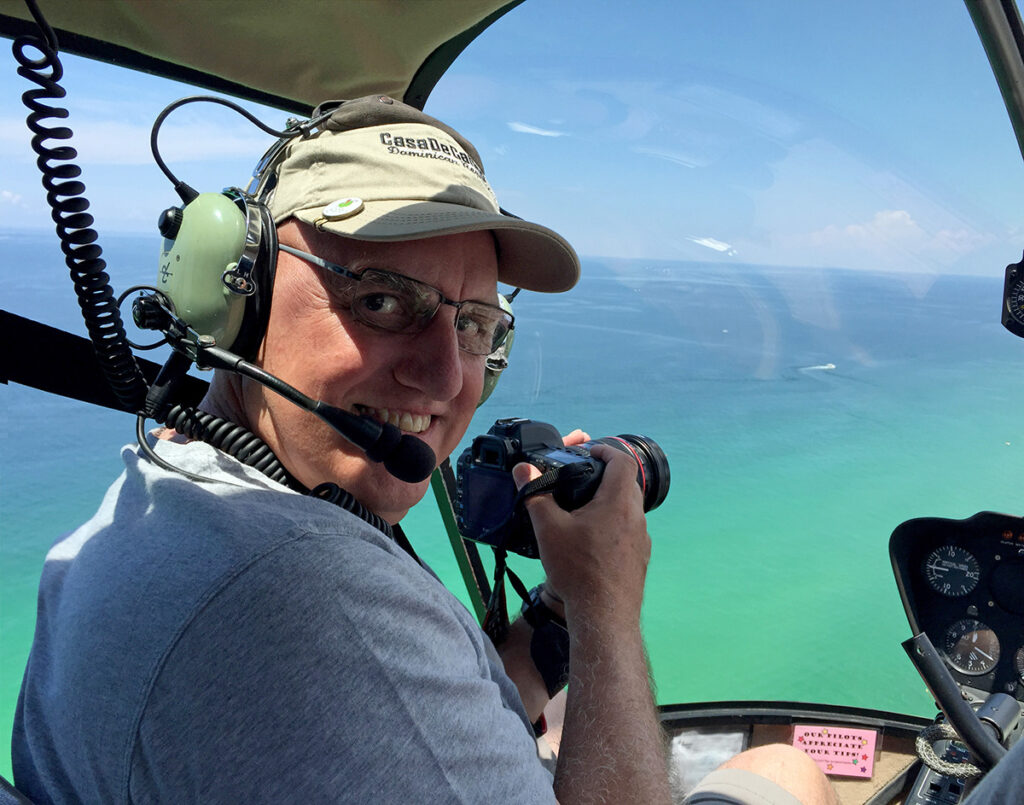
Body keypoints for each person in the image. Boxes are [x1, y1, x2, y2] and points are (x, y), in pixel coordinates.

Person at [12, 95, 835, 804]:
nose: (445, 377)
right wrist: (608, 607)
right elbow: (366, 673)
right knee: (788, 767)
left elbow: (414, 714)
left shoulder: (173, 489)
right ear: (235, 293)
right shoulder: (308, 597)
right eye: (379, 299)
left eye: (474, 324)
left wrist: (560, 605)